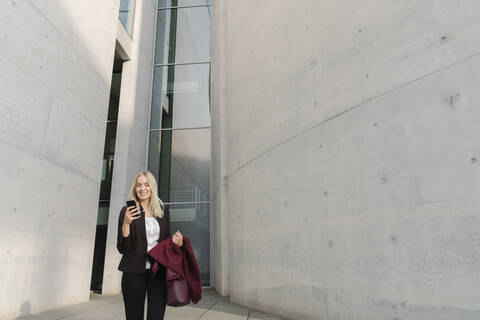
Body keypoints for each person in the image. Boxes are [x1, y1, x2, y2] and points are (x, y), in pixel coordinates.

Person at [117, 170, 184, 320]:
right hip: (134, 272)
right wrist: (126, 224)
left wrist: (178, 245)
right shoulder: (127, 211)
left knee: (156, 316)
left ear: (152, 187)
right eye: (138, 185)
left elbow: (166, 245)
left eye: (146, 185)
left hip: (157, 272)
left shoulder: (163, 211)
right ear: (134, 188)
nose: (142, 189)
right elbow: (122, 248)